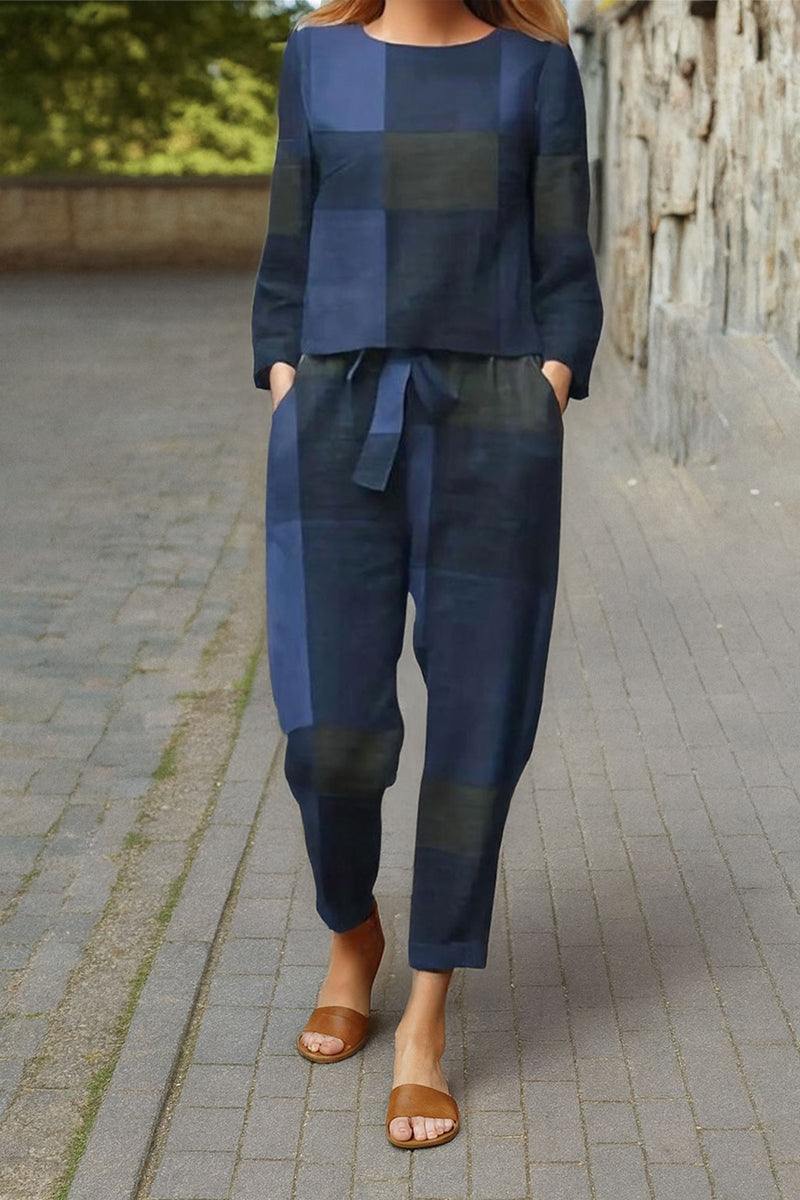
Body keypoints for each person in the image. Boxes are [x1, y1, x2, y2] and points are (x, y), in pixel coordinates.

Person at [251, 0, 603, 1150]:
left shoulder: (537, 69)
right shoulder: (315, 58)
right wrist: (282, 374)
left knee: (475, 728)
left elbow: (564, 254)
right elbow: (288, 240)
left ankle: (424, 1023)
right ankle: (352, 932)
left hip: (492, 420)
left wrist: (546, 384)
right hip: (337, 409)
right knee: (328, 733)